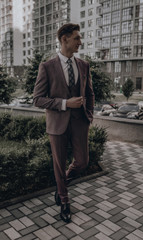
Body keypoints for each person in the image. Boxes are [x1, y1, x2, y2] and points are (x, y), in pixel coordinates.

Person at [33, 23, 94, 223]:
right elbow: (38, 99)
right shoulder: (47, 66)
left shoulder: (84, 65)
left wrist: (89, 116)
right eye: (77, 37)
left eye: (80, 37)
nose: (80, 42)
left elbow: (90, 94)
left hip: (79, 123)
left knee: (82, 162)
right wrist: (66, 103)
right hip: (57, 123)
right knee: (59, 165)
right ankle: (65, 201)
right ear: (64, 39)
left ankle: (60, 187)